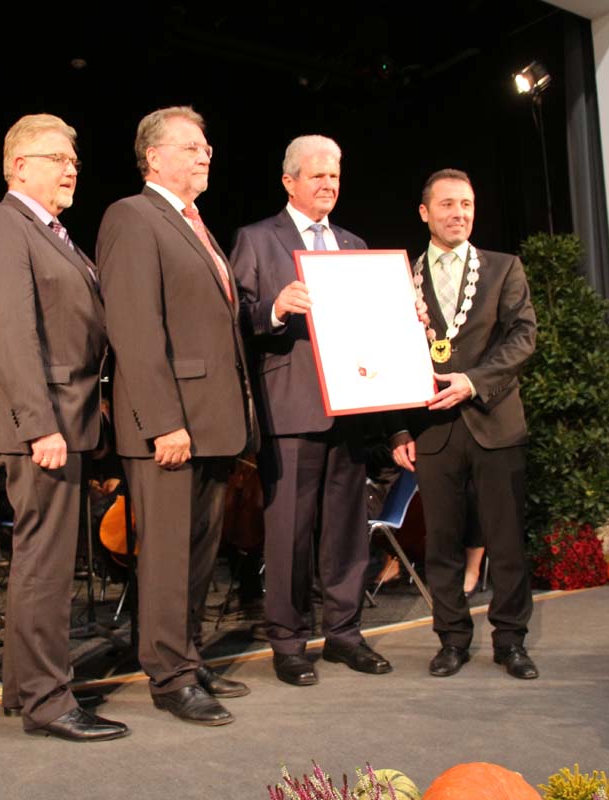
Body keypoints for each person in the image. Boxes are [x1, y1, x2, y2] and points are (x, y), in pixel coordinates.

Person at [0, 113, 127, 742]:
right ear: (18, 166)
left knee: (43, 559)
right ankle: (49, 701)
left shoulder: (55, 235)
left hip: (66, 419)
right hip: (43, 425)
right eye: (57, 158)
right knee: (46, 565)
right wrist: (39, 425)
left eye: (74, 161)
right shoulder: (0, 222)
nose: (71, 169)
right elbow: (7, 331)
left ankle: (24, 689)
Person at [96, 106, 254, 725]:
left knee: (197, 554)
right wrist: (163, 420)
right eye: (192, 146)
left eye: (206, 146)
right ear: (154, 157)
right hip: (171, 424)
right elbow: (135, 327)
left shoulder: (194, 223)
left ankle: (187, 657)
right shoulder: (132, 217)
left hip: (211, 421)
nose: (205, 154)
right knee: (165, 557)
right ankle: (169, 676)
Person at [230, 135, 392, 686]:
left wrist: (402, 315)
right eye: (317, 175)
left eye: (335, 176)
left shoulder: (354, 243)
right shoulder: (256, 239)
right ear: (289, 181)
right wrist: (275, 309)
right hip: (291, 408)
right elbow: (236, 317)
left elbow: (369, 322)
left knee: (347, 531)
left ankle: (345, 635)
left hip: (350, 408)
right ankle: (289, 641)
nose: (328, 184)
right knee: (290, 534)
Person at [390, 168, 538, 680]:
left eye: (467, 204)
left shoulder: (504, 267)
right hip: (431, 429)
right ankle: (451, 639)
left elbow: (523, 337)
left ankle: (511, 641)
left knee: (507, 542)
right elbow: (387, 354)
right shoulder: (397, 278)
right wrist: (398, 429)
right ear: (424, 212)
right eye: (447, 204)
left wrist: (473, 381)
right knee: (442, 544)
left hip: (495, 422)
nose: (459, 213)